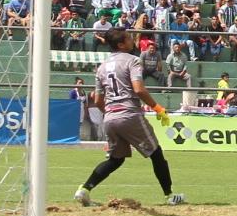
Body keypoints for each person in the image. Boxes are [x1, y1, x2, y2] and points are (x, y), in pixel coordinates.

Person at [73, 28, 184, 206]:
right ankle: (170, 195)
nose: (133, 40)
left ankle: (84, 190)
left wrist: (111, 114)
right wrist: (158, 108)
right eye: (129, 38)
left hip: (110, 117)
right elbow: (139, 89)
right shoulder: (133, 60)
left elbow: (98, 100)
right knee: (156, 154)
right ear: (121, 44)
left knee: (116, 159)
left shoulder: (102, 67)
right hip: (130, 114)